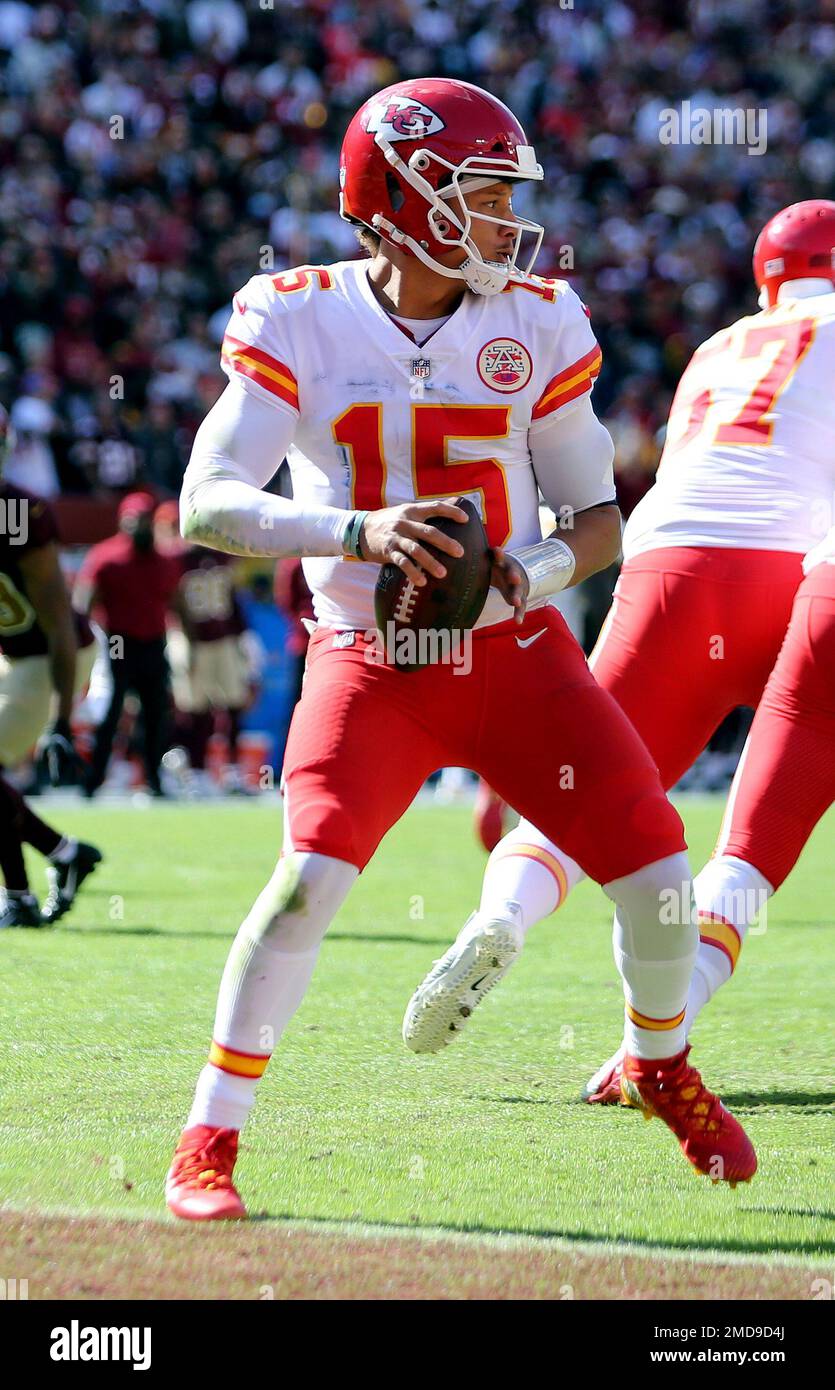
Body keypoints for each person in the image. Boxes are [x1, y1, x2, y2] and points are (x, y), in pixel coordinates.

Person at [165, 78, 755, 1222]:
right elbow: (206, 500)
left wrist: (514, 571)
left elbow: (598, 520)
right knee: (302, 889)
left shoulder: (536, 318)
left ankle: (657, 1059)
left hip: (517, 652)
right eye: (482, 195)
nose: (505, 221)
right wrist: (357, 529)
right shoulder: (294, 312)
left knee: (659, 876)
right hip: (366, 655)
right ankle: (209, 1137)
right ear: (403, 198)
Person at [404, 199, 835, 1100]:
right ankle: (654, 1044)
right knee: (753, 843)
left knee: (585, 793)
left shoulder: (721, 347)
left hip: (671, 557)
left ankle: (499, 917)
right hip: (802, 570)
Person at [0, 407, 102, 927]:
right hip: (14, 654)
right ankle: (63, 856)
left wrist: (62, 721)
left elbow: (59, 623)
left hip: (53, 653)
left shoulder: (17, 514)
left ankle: (24, 890)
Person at [73, 492, 182, 797]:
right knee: (110, 712)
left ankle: (153, 779)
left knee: (156, 714)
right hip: (118, 642)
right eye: (134, 520)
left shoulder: (162, 560)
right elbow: (83, 601)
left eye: (144, 520)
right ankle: (93, 780)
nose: (139, 526)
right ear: (123, 520)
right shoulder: (106, 556)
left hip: (153, 643)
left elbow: (176, 600)